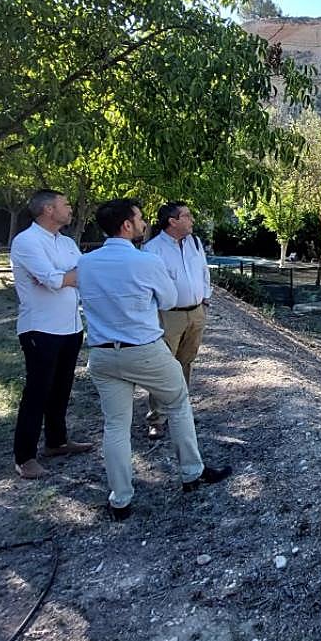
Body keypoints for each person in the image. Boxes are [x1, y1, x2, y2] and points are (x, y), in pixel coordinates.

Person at [77, 198, 230, 521]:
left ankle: (120, 498)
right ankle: (191, 472)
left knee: (115, 425)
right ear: (127, 225)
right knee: (178, 402)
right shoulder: (144, 262)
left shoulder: (86, 263)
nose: (145, 223)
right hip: (143, 348)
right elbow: (170, 298)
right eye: (140, 218)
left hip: (102, 353)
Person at [9, 189, 92, 479]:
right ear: (47, 209)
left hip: (71, 326)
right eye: (65, 204)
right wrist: (67, 277)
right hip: (40, 329)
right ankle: (25, 456)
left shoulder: (67, 242)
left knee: (62, 387)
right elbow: (54, 280)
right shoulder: (27, 242)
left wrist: (67, 277)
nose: (70, 209)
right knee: (37, 391)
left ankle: (57, 441)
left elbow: (82, 274)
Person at [142, 202, 211, 440]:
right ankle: (157, 418)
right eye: (187, 216)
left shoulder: (195, 242)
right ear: (172, 221)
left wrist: (205, 298)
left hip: (196, 312)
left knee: (185, 362)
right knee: (163, 366)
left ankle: (180, 412)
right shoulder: (152, 250)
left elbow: (203, 271)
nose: (192, 220)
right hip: (168, 315)